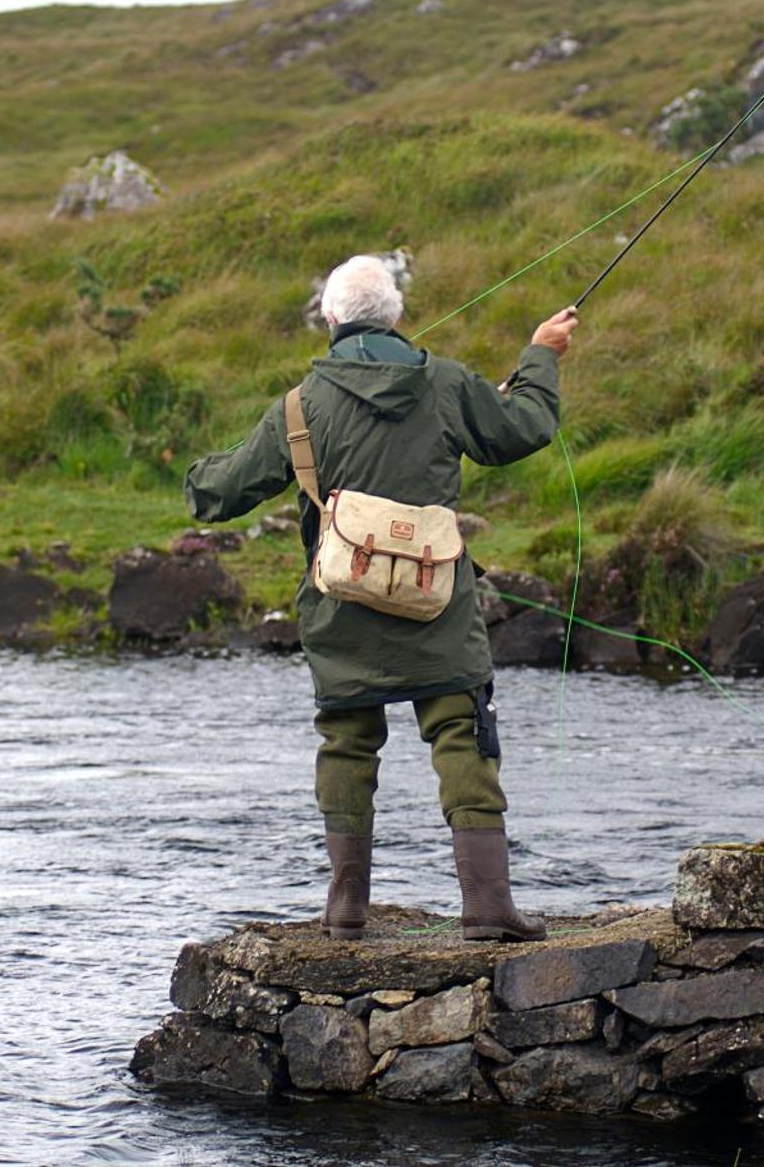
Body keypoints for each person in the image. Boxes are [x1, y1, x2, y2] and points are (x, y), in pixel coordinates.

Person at [184, 254, 578, 942]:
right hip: (438, 603)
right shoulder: (450, 383)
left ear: (331, 320)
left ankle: (344, 911)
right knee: (461, 732)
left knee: (347, 741)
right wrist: (540, 356)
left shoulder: (299, 406)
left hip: (342, 608)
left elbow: (219, 493)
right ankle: (487, 909)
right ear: (397, 316)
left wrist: (195, 473)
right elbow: (525, 428)